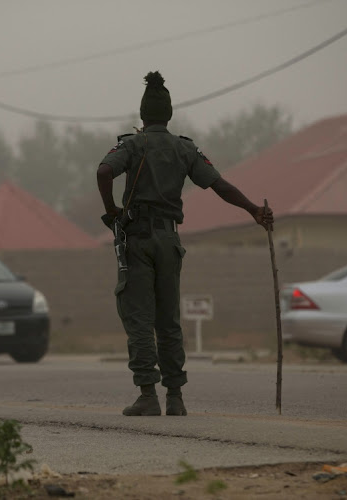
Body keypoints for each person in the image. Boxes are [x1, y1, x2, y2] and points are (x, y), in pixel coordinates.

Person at [97, 71, 274, 416]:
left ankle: (148, 395)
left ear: (143, 116)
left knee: (139, 316)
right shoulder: (185, 148)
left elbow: (104, 172)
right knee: (169, 319)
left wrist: (112, 212)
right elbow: (220, 185)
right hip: (169, 240)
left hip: (138, 239)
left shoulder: (133, 145)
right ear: (169, 114)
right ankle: (175, 398)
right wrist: (253, 209)